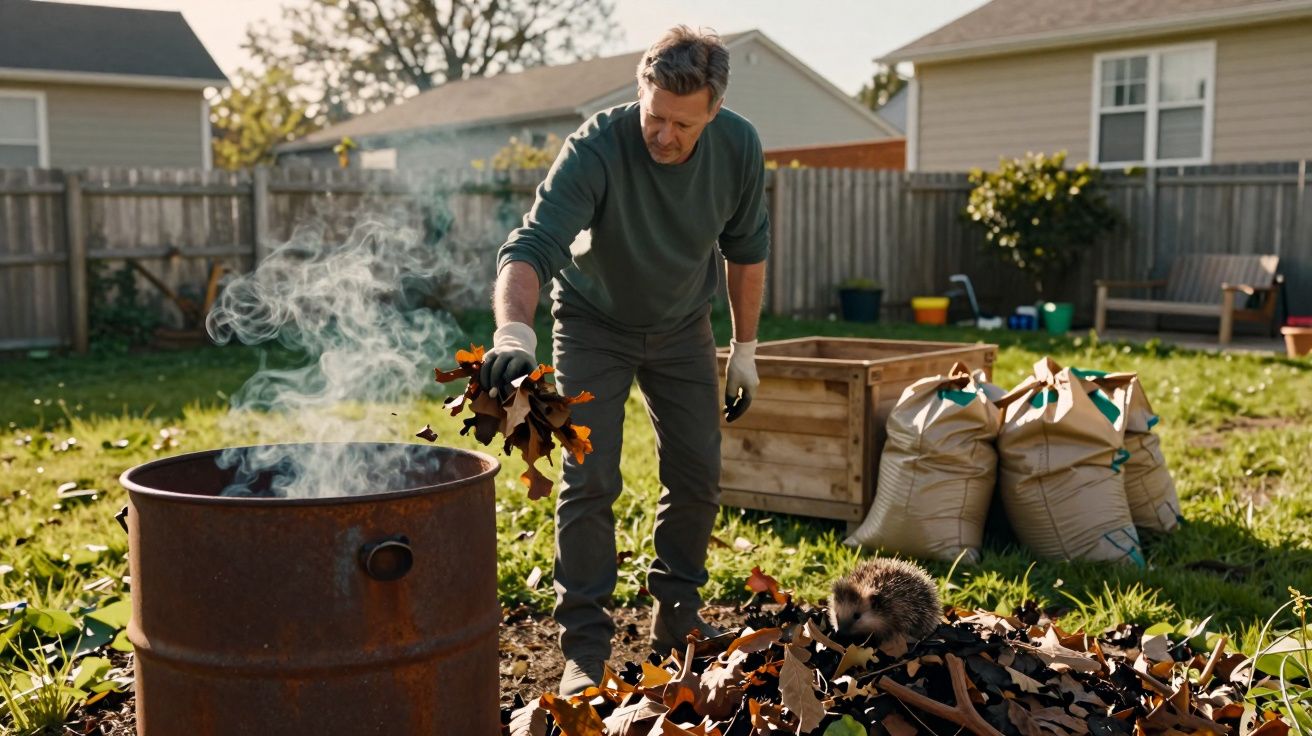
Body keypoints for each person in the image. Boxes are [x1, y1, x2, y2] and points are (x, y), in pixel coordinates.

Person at [482, 25, 769, 696]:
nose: (663, 135)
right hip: (593, 324)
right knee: (590, 478)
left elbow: (746, 248)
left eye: (681, 124)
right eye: (654, 115)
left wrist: (747, 348)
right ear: (640, 90)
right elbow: (531, 247)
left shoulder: (738, 147)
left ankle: (678, 621)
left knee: (698, 473)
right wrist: (512, 336)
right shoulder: (597, 148)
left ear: (713, 113)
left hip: (681, 326)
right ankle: (585, 646)